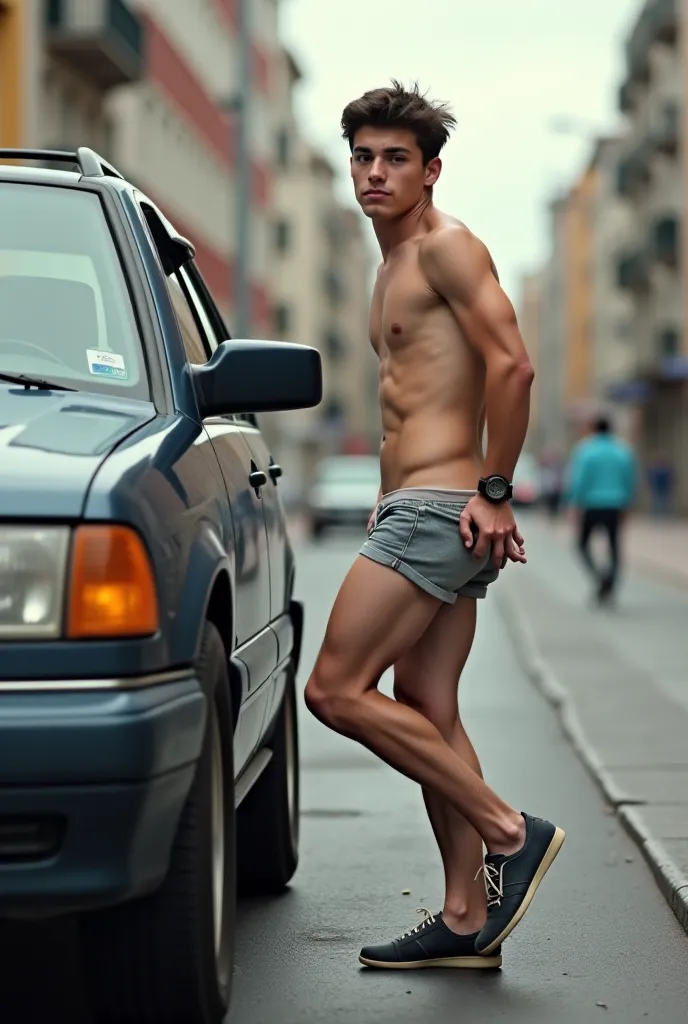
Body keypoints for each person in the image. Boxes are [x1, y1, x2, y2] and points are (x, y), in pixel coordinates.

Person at [303, 81, 565, 971]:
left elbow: (515, 366)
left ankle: (507, 831)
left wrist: (493, 488)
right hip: (421, 505)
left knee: (335, 691)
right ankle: (463, 918)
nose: (374, 172)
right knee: (427, 703)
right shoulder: (388, 267)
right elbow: (406, 404)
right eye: (364, 156)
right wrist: (392, 491)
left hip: (441, 506)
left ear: (431, 171)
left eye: (395, 159)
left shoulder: (448, 250)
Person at [566, 415, 637, 603]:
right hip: (615, 505)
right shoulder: (622, 451)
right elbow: (629, 479)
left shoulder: (586, 450)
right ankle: (609, 582)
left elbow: (578, 479)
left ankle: (600, 577)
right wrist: (628, 503)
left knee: (581, 545)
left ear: (594, 429)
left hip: (591, 505)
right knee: (614, 548)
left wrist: (573, 503)